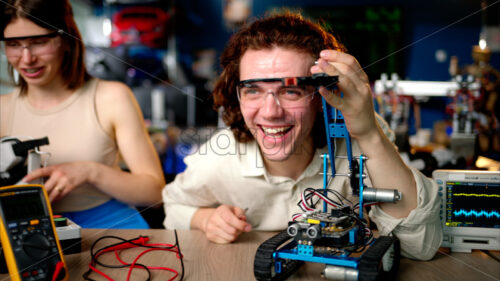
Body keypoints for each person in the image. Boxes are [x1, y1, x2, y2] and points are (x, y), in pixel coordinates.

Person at [162, 12, 442, 260]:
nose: (270, 112)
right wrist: (204, 218)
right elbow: (173, 205)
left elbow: (420, 245)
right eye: (253, 90)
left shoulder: (362, 139)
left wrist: (369, 133)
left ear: (324, 97)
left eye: (291, 91)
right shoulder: (220, 159)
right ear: (238, 96)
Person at [0, 0, 165, 229]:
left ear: (66, 40)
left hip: (111, 227)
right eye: (14, 44)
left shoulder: (112, 97)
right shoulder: (3, 109)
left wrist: (90, 172)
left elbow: (155, 193)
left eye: (39, 42)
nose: (26, 58)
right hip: (31, 233)